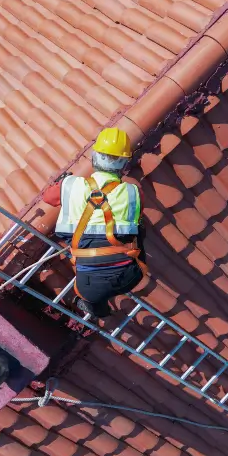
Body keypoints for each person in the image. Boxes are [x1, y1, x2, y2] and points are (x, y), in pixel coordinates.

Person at [42, 127, 146, 318]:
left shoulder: (72, 185)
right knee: (139, 230)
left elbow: (48, 197)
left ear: (94, 156)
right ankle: (97, 302)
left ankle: (97, 309)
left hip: (90, 286)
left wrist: (63, 183)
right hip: (132, 275)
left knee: (92, 293)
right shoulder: (134, 192)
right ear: (124, 163)